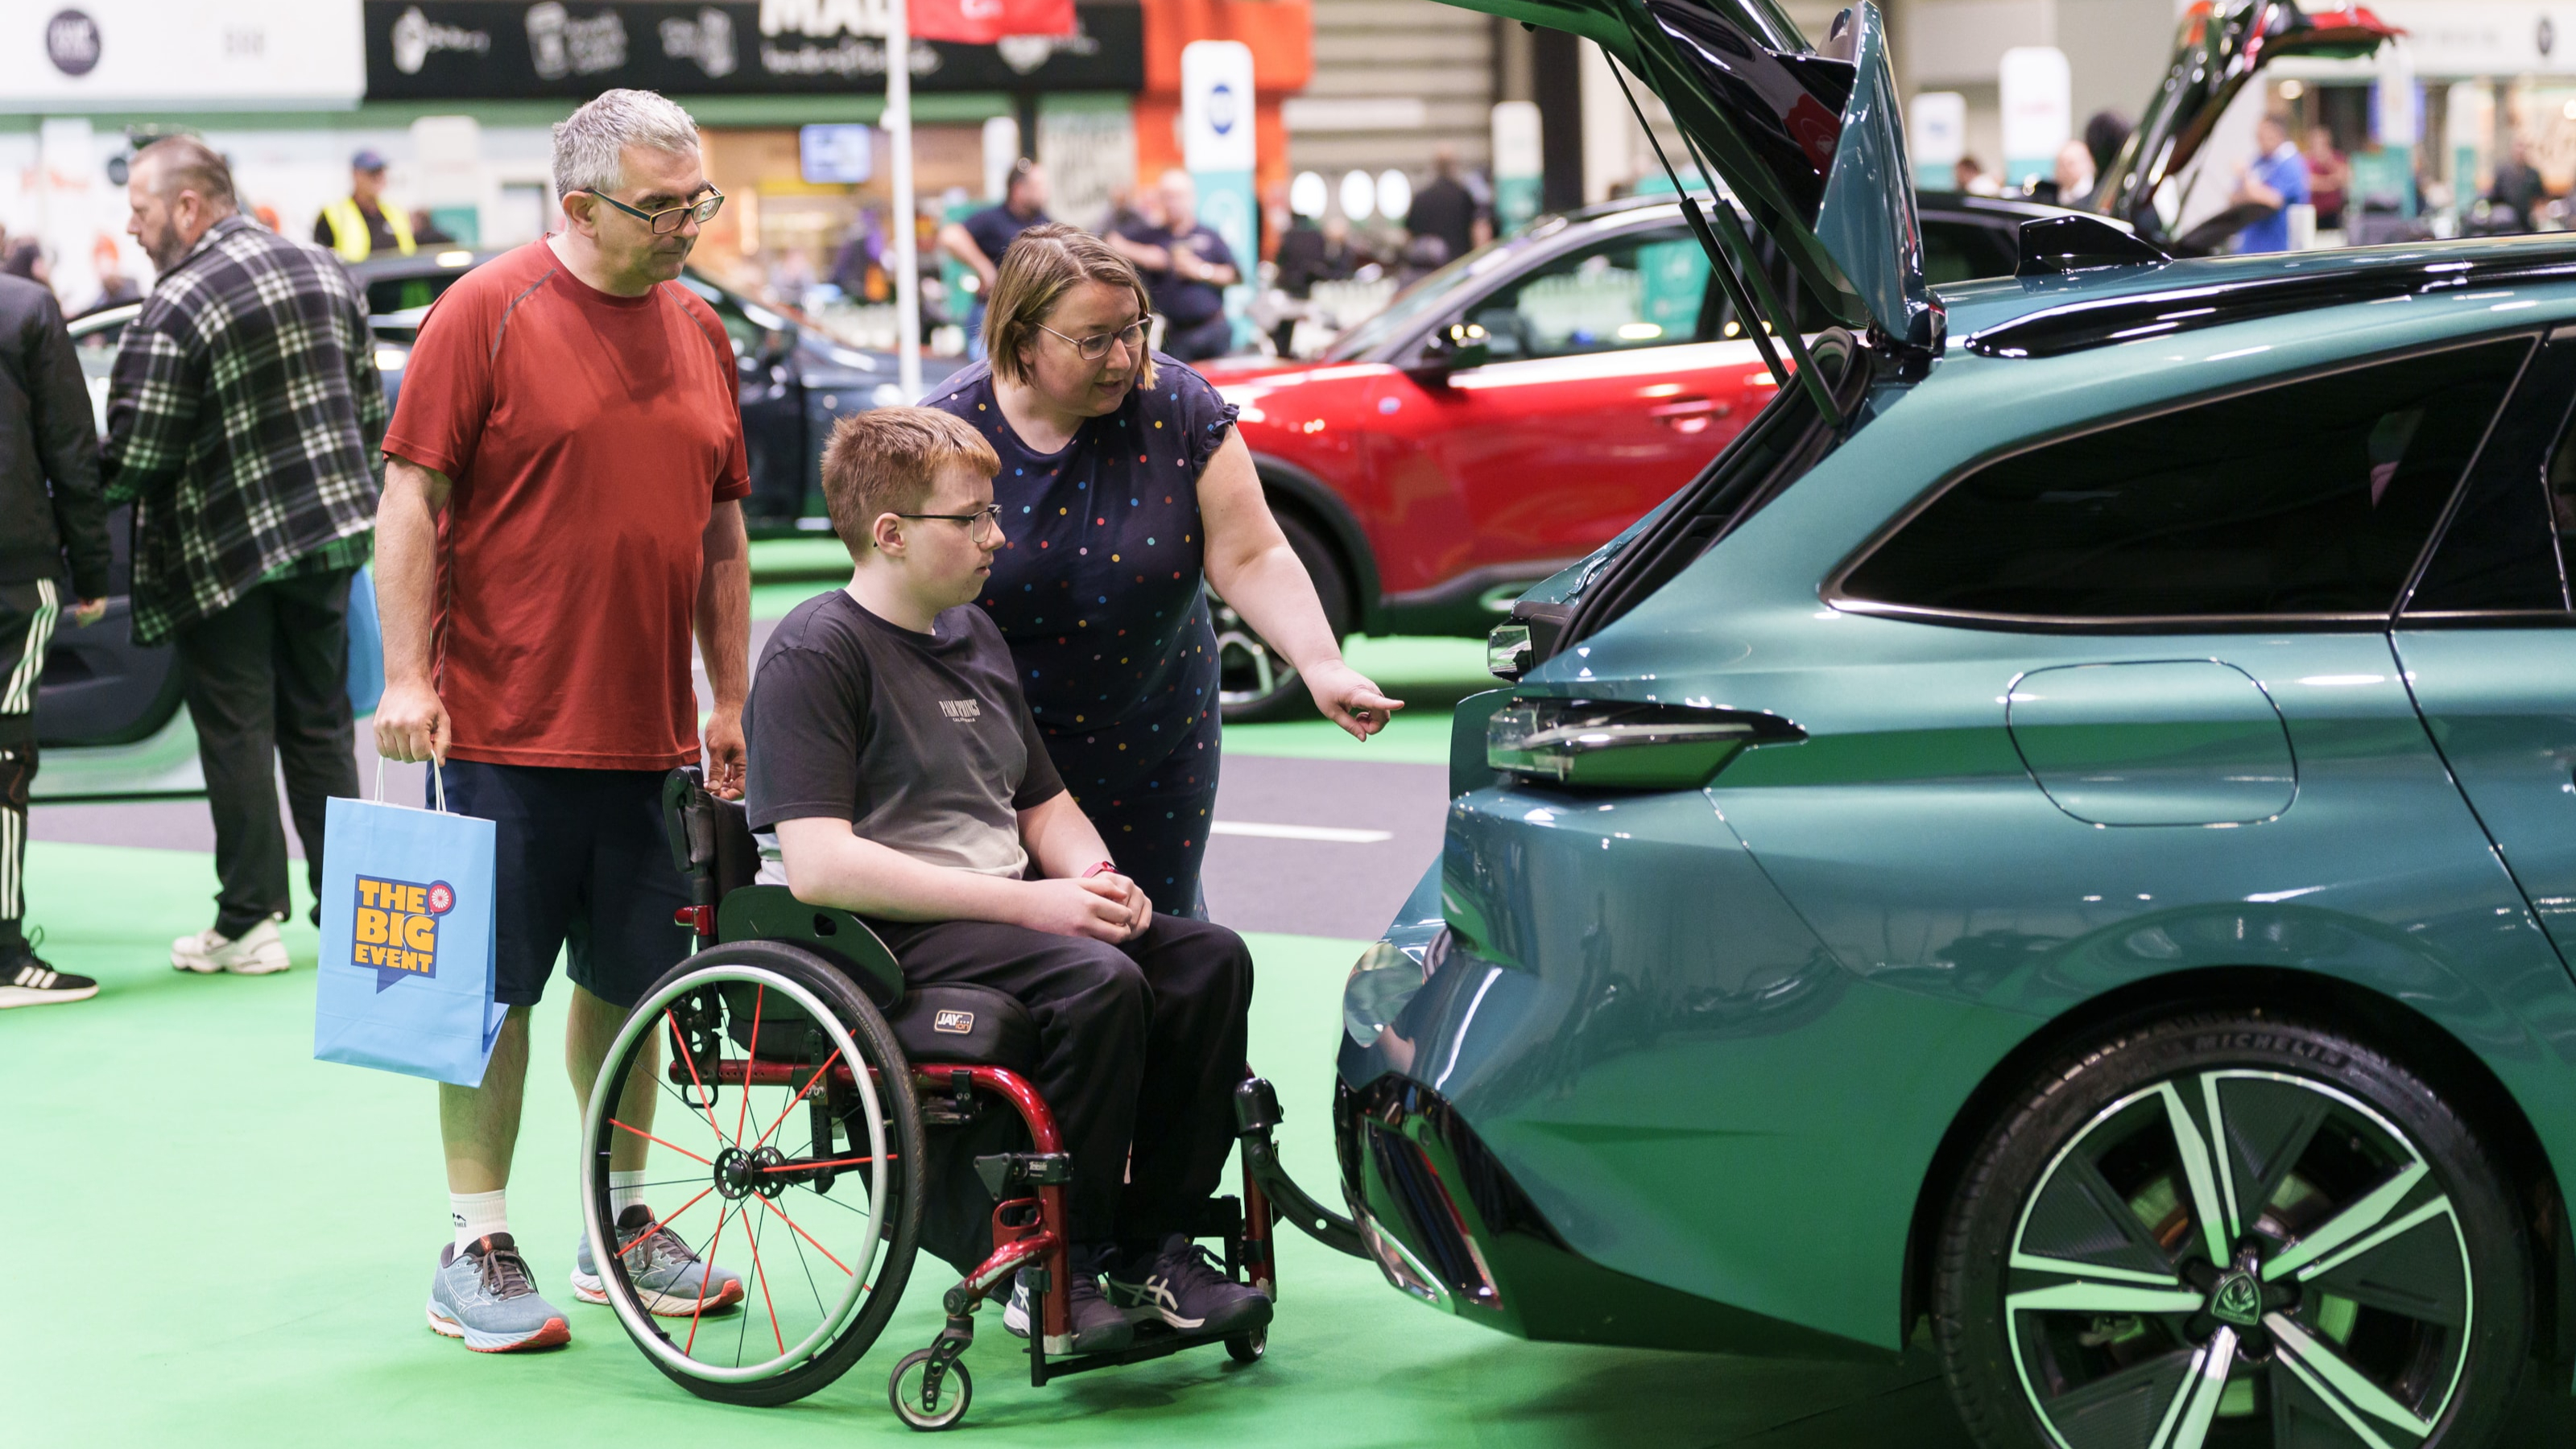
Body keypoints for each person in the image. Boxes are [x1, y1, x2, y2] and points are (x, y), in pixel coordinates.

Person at [746, 404, 1271, 1352]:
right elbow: (820, 865)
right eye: (973, 519)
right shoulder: (815, 651)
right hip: (887, 935)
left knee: (1206, 960)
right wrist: (1038, 904)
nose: (999, 536)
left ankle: (1150, 1248)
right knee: (1097, 981)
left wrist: (1097, 880)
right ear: (891, 534)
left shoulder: (974, 636)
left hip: (1003, 919)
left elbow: (1041, 804)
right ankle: (1045, 1260)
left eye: (994, 512)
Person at [372, 88, 750, 1355]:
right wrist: (407, 678)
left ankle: (622, 1222)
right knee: (487, 1000)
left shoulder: (701, 329)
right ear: (579, 206)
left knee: (633, 990)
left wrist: (732, 693)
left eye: (698, 199)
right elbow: (412, 506)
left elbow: (721, 535)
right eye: (662, 207)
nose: (687, 226)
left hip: (650, 740)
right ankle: (473, 1239)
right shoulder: (485, 310)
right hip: (498, 731)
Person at [929, 225, 1399, 918]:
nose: (1123, 359)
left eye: (1134, 329)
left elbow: (1252, 554)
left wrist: (1320, 663)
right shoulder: (946, 435)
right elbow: (902, 612)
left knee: (1163, 936)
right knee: (1030, 956)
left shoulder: (1179, 406)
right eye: (1094, 340)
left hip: (1156, 736)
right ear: (1022, 339)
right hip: (996, 756)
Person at [103, 135, 382, 977]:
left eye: (142, 213)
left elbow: (137, 455)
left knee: (236, 733)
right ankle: (350, 916)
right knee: (323, 726)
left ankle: (248, 918)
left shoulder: (178, 303)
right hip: (328, 543)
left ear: (189, 206)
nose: (133, 230)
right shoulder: (326, 269)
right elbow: (370, 413)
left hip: (222, 556)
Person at [0, 264, 112, 1008]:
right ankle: (5, 954)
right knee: (6, 754)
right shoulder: (26, 308)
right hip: (13, 572)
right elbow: (71, 450)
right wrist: (93, 569)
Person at [1110, 171, 1242, 363]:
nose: (1172, 203)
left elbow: (1235, 275)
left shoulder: (1209, 236)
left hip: (1213, 329)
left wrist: (1201, 270)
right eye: (1167, 197)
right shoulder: (1151, 236)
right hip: (1175, 335)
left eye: (1178, 196)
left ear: (1191, 197)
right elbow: (1112, 241)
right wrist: (1145, 255)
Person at [937, 158, 1052, 359]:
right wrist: (984, 267)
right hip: (992, 314)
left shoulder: (1045, 223)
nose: (1045, 191)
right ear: (1018, 189)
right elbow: (950, 236)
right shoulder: (993, 219)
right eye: (1038, 185)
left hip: (1029, 317)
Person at [314, 148, 416, 263]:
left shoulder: (396, 212)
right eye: (372, 172)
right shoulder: (333, 215)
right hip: (355, 280)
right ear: (356, 175)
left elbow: (410, 254)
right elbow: (321, 262)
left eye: (381, 172)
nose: (379, 177)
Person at [2231, 114, 2311, 254]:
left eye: (2264, 135)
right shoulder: (2258, 162)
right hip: (2250, 249)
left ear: (2278, 134)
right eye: (2258, 136)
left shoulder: (2290, 164)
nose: (2259, 140)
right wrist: (2251, 190)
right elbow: (2234, 199)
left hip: (2278, 252)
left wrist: (2246, 178)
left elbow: (2272, 200)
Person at [1405, 144, 1488, 266]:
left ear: (1435, 166)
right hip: (1460, 267)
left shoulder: (1421, 198)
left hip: (1430, 272)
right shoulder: (1464, 195)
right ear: (1454, 165)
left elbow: (1409, 236)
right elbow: (1479, 231)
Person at [2490, 137, 2549, 230]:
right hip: (2508, 222)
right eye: (2518, 147)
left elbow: (2541, 198)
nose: (2520, 151)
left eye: (2523, 147)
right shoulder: (2503, 172)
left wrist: (2539, 211)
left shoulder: (2533, 174)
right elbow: (2495, 197)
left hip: (2529, 221)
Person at [2303, 128, 2351, 231]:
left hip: (2333, 213)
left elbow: (2346, 177)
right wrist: (2333, 183)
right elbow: (2310, 183)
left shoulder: (2336, 158)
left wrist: (2329, 162)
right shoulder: (2306, 160)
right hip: (2314, 213)